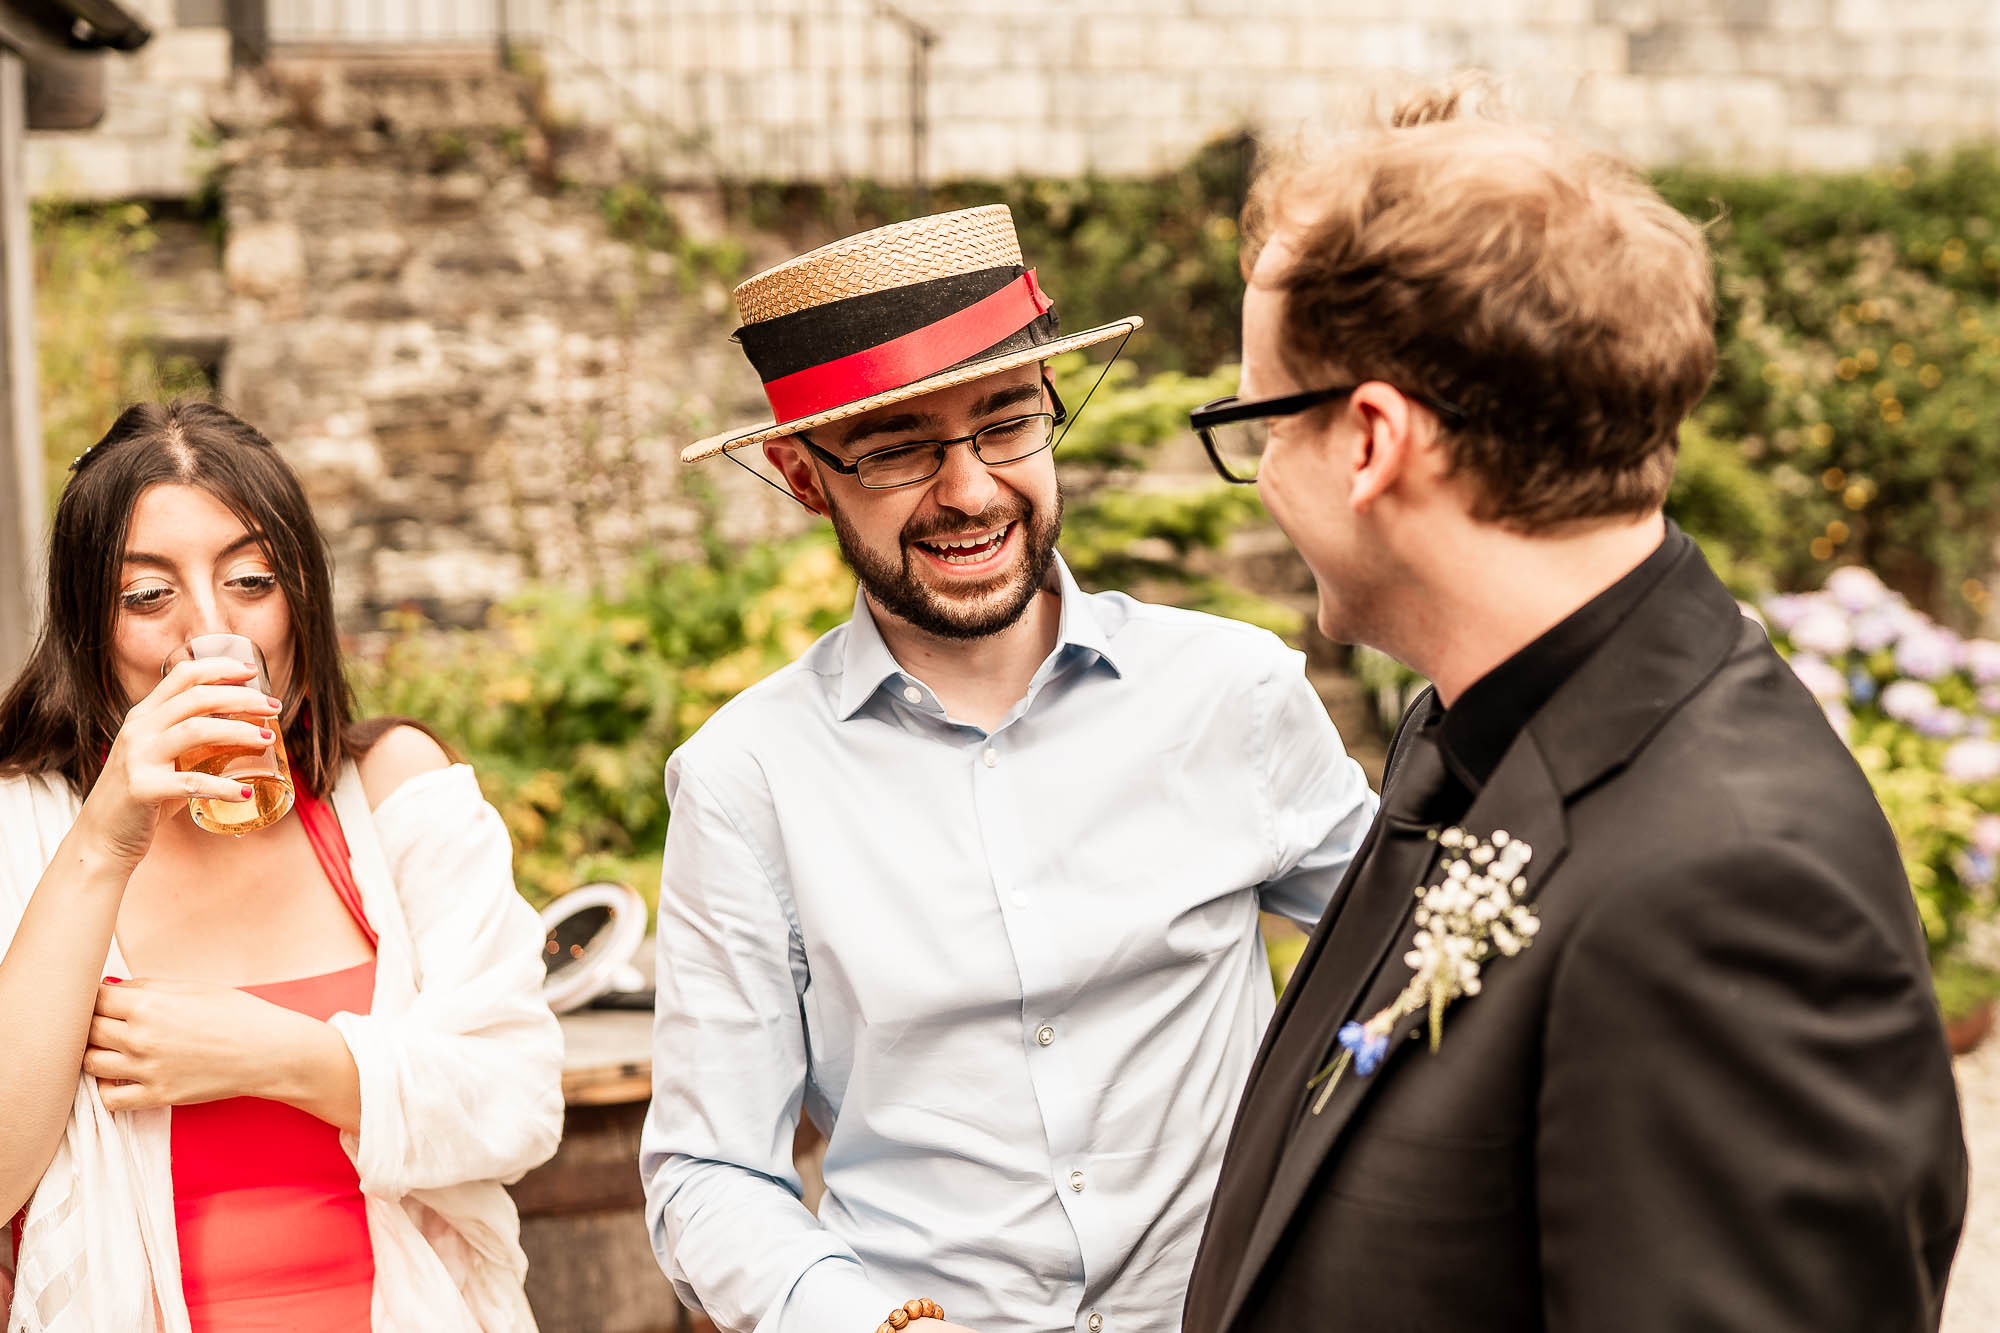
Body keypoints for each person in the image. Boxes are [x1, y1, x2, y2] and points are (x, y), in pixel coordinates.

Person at [1179, 87, 1969, 1333]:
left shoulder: (1728, 892)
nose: (1259, 478)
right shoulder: (1470, 737)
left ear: (1371, 441)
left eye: (1254, 421)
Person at [639, 205, 1377, 1333]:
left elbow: (1432, 987)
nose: (971, 491)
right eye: (895, 448)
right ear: (800, 476)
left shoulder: (1234, 693)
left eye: (1005, 424)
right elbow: (708, 1168)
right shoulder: (744, 782)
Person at [0, 401, 564, 1332]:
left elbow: (520, 1100)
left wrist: (270, 1053)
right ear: (86, 625)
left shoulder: (390, 793)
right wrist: (104, 839)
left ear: (301, 595)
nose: (210, 634)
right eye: (147, 595)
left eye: (251, 580)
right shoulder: (27, 824)